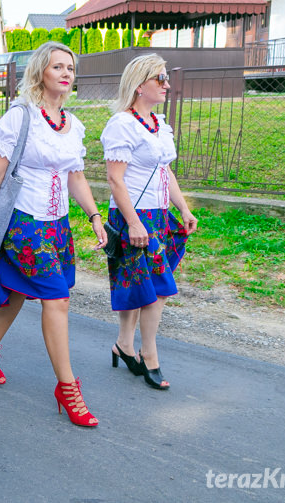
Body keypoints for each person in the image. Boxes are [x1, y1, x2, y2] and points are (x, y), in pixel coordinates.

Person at [0, 41, 106, 428]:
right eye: (58, 66)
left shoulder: (73, 125)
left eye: (71, 68)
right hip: (24, 223)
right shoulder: (20, 116)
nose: (66, 73)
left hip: (57, 224)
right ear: (41, 71)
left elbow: (75, 176)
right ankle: (68, 388)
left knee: (19, 293)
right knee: (57, 300)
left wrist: (94, 215)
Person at [101, 53, 198, 391]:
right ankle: (149, 354)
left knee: (141, 286)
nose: (167, 84)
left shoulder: (158, 124)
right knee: (158, 289)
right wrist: (133, 222)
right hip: (134, 215)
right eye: (161, 78)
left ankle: (124, 344)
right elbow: (115, 179)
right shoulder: (122, 124)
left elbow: (164, 170)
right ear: (140, 85)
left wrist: (183, 209)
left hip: (158, 216)